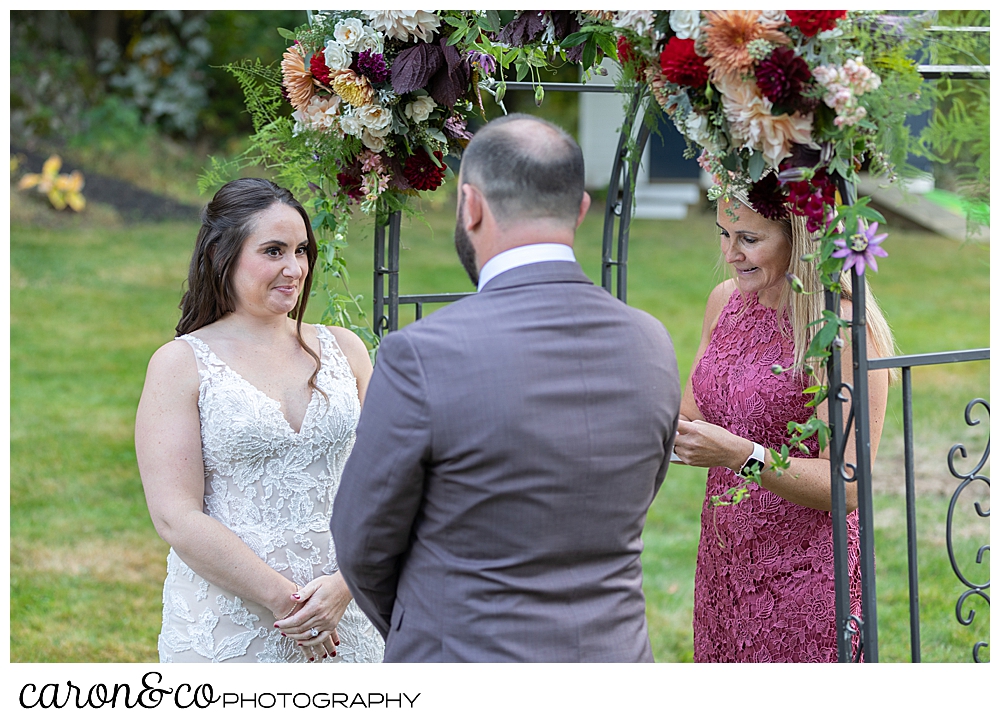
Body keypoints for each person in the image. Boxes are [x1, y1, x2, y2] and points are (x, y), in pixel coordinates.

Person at [330, 114, 682, 662]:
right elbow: (637, 493)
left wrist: (429, 624)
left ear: (470, 205)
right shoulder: (651, 342)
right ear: (581, 210)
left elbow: (361, 542)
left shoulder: (422, 354)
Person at [135, 178, 384, 663]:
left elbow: (385, 484)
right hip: (231, 623)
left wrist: (343, 588)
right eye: (273, 251)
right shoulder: (181, 363)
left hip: (347, 613)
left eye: (301, 251)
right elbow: (176, 516)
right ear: (220, 255)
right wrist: (289, 606)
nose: (294, 268)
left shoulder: (346, 350)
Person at [673, 189, 894, 663]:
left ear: (799, 238)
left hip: (806, 574)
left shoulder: (842, 334)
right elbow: (691, 413)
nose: (731, 254)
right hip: (724, 560)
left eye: (749, 239)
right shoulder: (725, 302)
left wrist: (740, 455)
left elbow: (848, 485)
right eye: (724, 235)